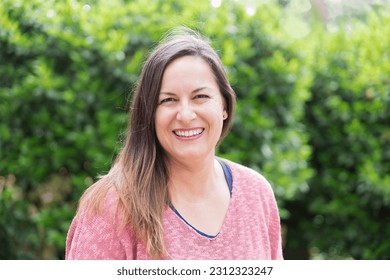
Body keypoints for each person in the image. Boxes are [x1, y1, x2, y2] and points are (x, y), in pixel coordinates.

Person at [65, 27, 283, 260]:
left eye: (201, 96)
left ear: (224, 107)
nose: (186, 115)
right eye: (168, 100)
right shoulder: (112, 208)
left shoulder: (256, 193)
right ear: (149, 113)